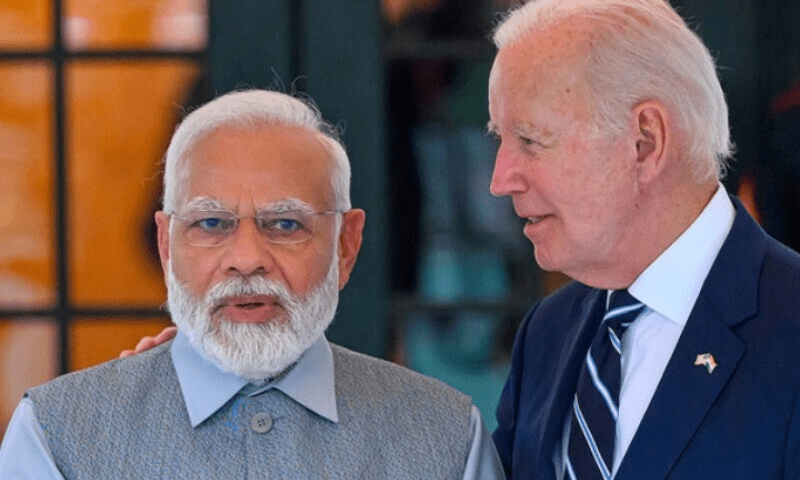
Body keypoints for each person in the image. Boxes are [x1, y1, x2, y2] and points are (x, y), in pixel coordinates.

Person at [0, 90, 504, 479]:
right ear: (166, 243)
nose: (245, 260)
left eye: (285, 224)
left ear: (346, 246)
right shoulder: (57, 435)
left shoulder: (446, 435)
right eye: (211, 224)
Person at [487, 0, 800, 479]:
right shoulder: (548, 331)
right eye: (500, 139)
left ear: (645, 141)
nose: (501, 178)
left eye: (530, 140)